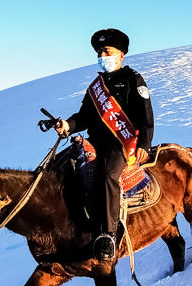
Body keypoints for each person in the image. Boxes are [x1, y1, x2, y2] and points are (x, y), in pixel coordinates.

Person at [52, 29, 154, 261]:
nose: (102, 56)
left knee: (108, 176)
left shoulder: (133, 80)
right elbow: (84, 116)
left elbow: (146, 117)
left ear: (121, 54)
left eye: (107, 51)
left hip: (120, 144)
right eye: (99, 52)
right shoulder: (96, 86)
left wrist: (144, 146)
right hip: (95, 141)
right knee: (65, 166)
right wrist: (67, 125)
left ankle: (107, 234)